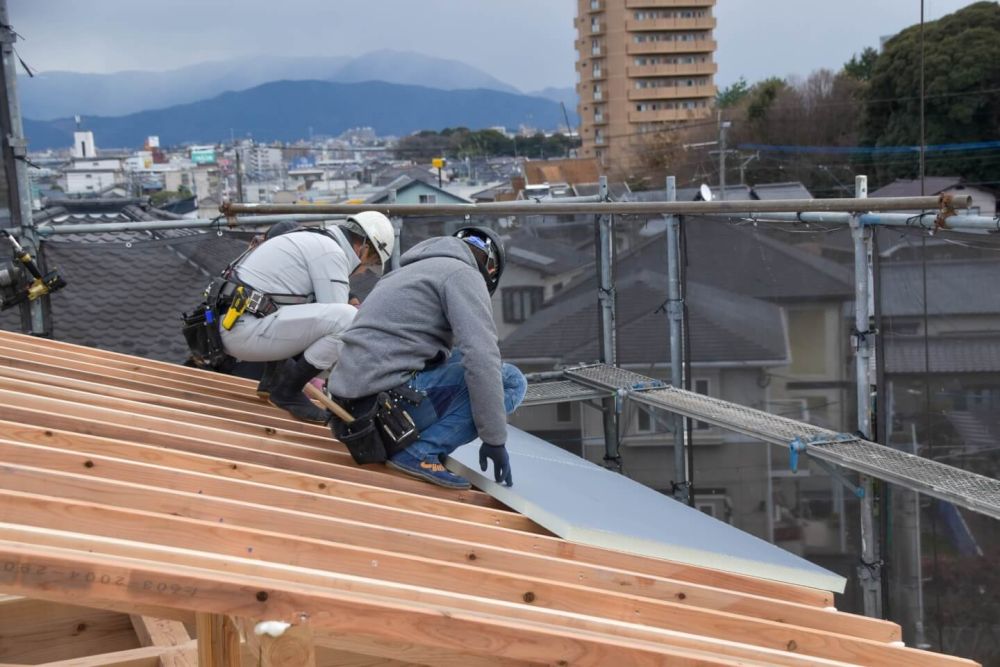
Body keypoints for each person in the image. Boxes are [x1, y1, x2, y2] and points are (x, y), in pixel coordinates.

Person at [327, 227, 527, 490]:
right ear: (490, 270)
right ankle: (421, 452)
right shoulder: (463, 275)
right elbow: (482, 356)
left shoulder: (407, 272)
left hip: (350, 416)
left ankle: (419, 444)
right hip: (386, 416)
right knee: (510, 380)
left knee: (455, 359)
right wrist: (494, 439)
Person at [216, 211, 394, 423]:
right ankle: (287, 391)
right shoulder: (331, 252)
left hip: (233, 327)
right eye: (369, 264)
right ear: (362, 250)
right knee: (348, 320)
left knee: (318, 316)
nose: (363, 272)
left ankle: (272, 382)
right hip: (243, 332)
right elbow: (341, 325)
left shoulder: (312, 238)